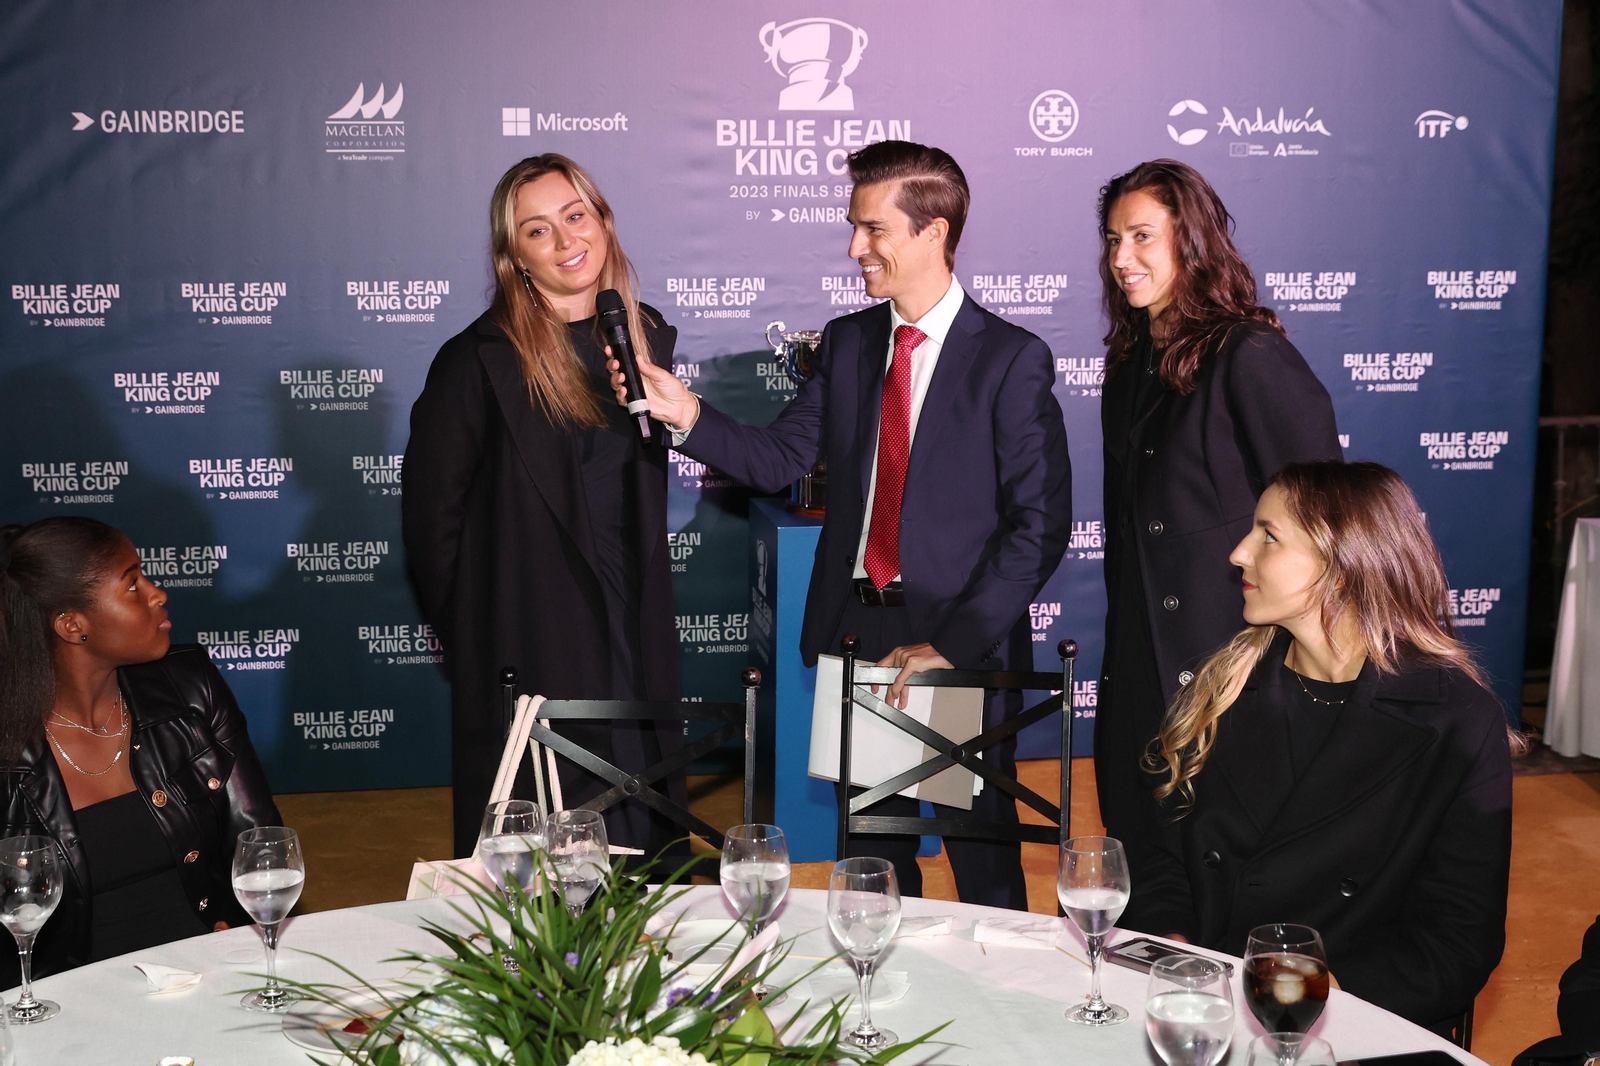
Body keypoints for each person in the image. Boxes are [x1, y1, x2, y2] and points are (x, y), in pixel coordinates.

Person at [612, 140, 1072, 910]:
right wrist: (685, 413)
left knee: (981, 859)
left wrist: (952, 646)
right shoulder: (852, 344)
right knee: (873, 863)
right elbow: (778, 455)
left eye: (873, 229)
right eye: (854, 228)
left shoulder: (1011, 360)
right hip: (858, 634)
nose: (855, 247)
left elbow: (1038, 525)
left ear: (934, 230)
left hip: (955, 640)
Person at [1123, 461, 1514, 1032]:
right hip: (1207, 1009)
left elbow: (1455, 942)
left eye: (1269, 536)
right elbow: (1161, 856)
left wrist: (1301, 995)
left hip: (1353, 1023)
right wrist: (1176, 948)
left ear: (1342, 564)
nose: (1238, 553)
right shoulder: (1222, 687)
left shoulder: (1454, 720)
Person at [402, 154, 684, 859]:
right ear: (514, 258)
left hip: (633, 620)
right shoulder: (476, 361)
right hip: (532, 632)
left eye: (575, 216)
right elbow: (432, 524)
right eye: (537, 231)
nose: (565, 242)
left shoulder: (642, 333)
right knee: (547, 841)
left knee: (641, 822)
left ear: (603, 221)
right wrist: (480, 632)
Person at [1096, 159, 1342, 849]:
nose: (1123, 258)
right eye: (1113, 241)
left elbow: (1325, 520)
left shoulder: (1251, 354)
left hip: (1236, 668)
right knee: (1143, 863)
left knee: (1226, 869)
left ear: (1192, 240)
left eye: (1142, 236)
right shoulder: (1128, 370)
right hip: (1141, 668)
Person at [0, 517, 280, 982]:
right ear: (73, 625)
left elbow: (258, 844)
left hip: (210, 972)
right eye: (132, 584)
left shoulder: (189, 687)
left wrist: (235, 947)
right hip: (72, 1003)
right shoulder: (9, 748)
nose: (157, 593)